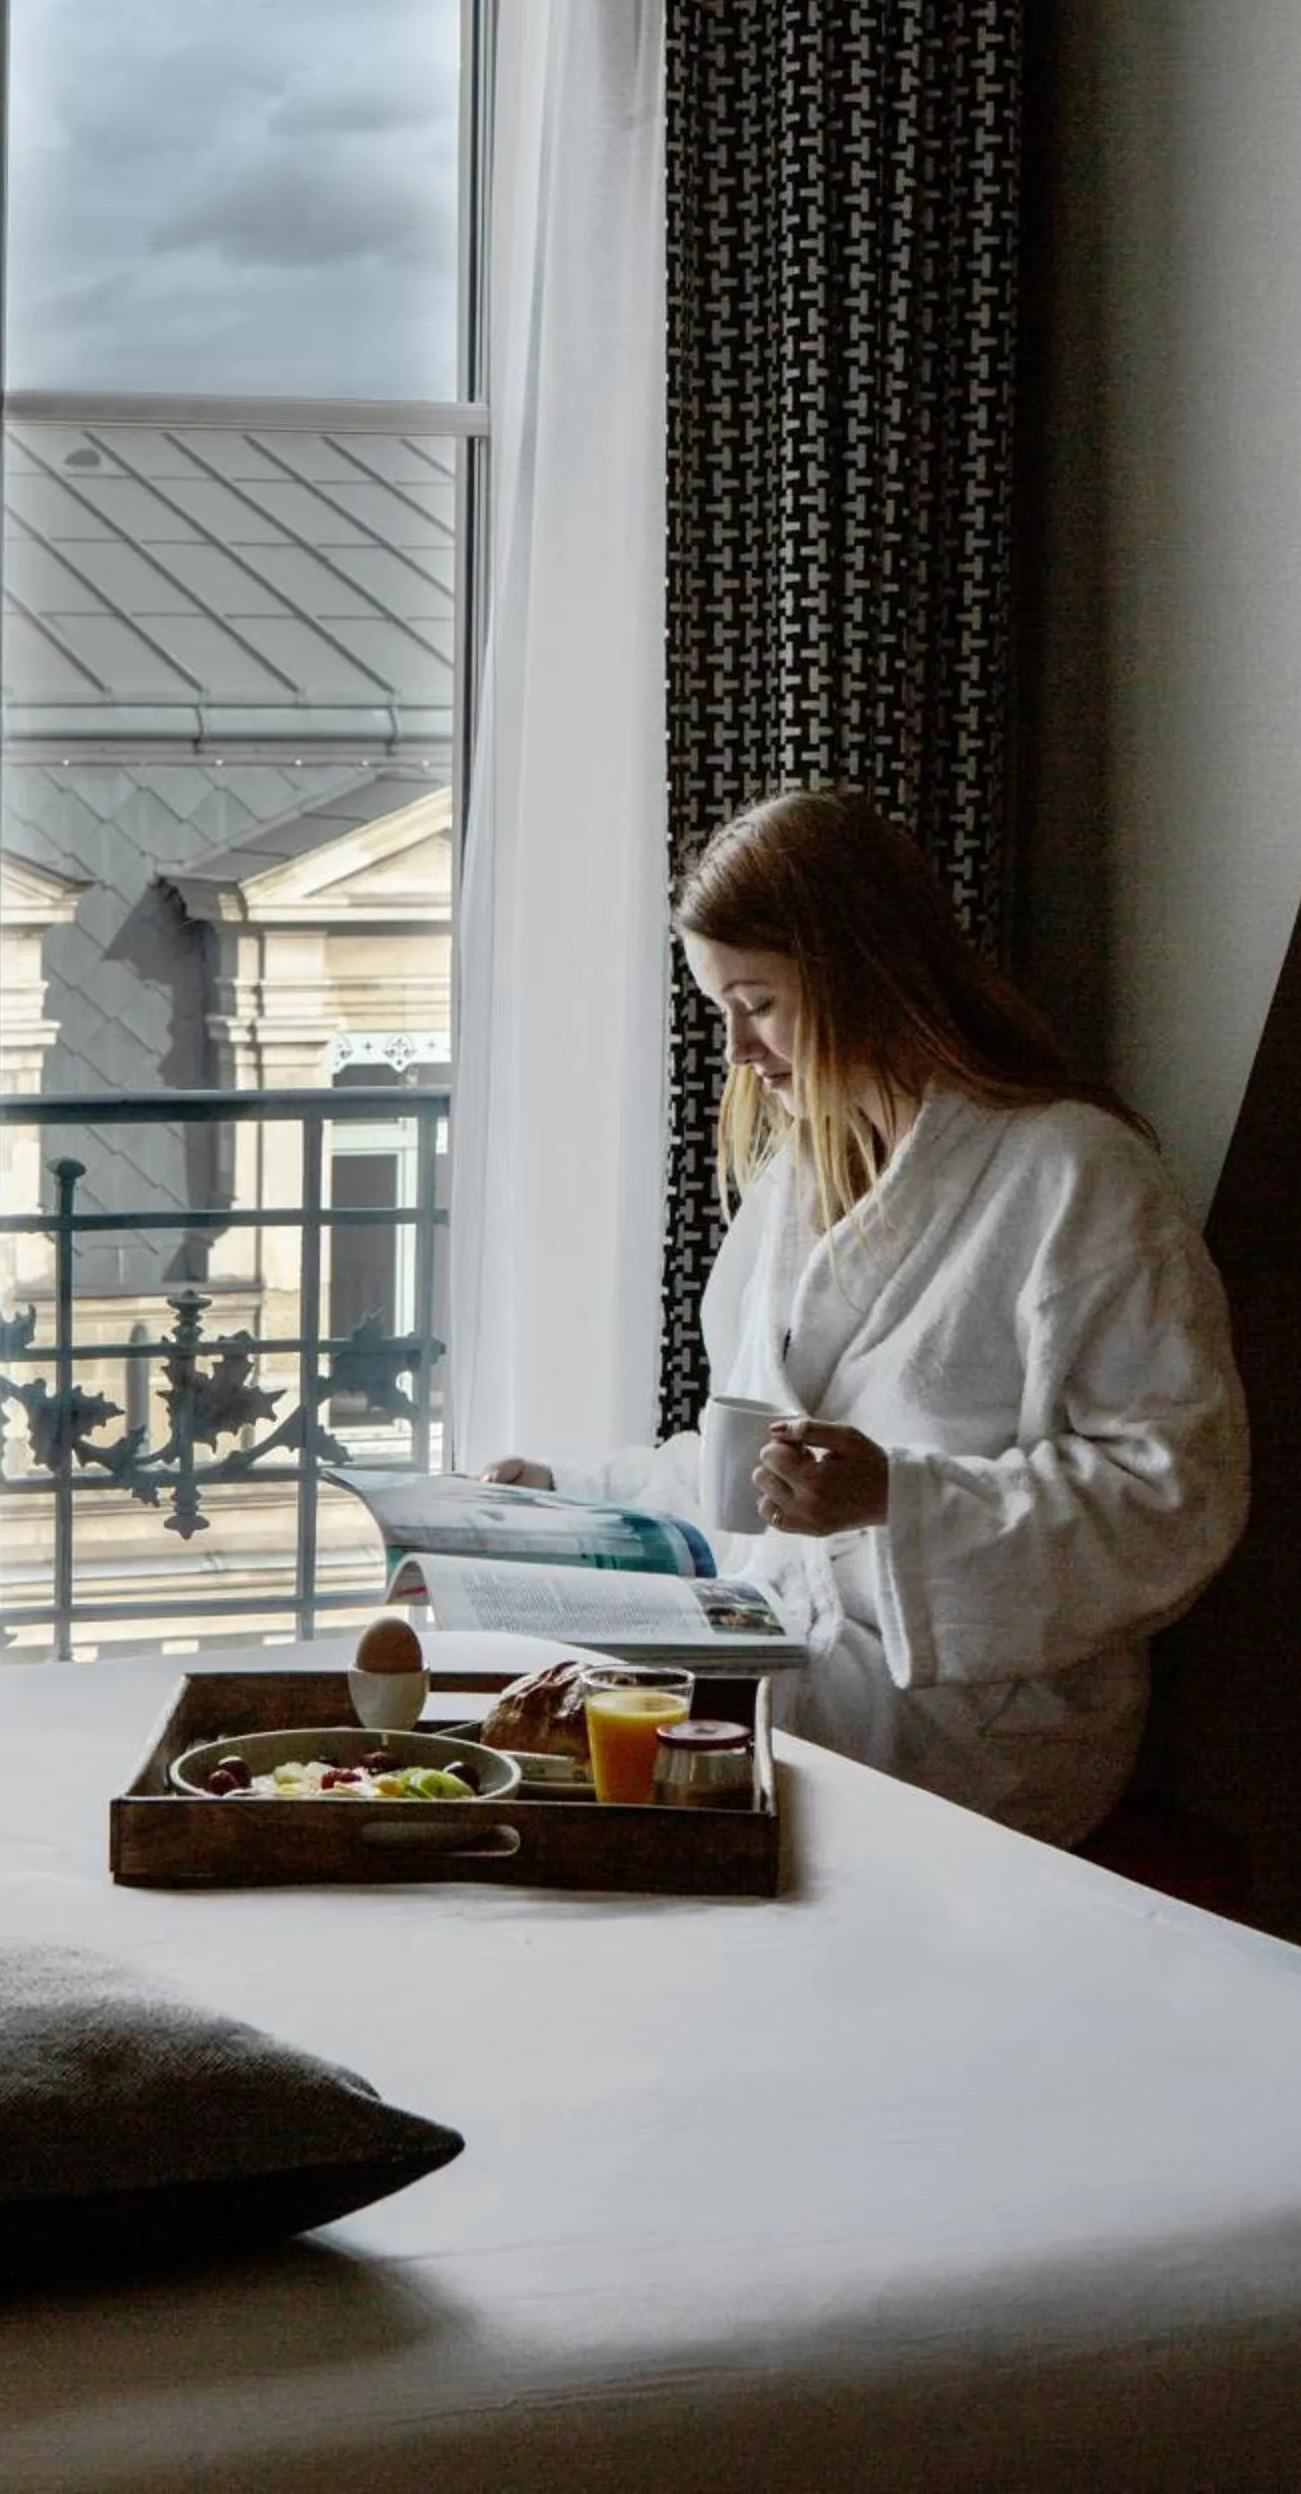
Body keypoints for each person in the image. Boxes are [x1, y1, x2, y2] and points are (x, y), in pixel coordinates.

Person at [484, 788, 1249, 1847]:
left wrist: (895, 1495)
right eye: (721, 1011)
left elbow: (1175, 1498)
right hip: (783, 1650)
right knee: (508, 1732)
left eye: (755, 1003)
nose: (739, 1050)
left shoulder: (1075, 1175)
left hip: (971, 1718)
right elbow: (750, 1475)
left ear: (853, 972)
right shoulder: (798, 1171)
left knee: (576, 1811)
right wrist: (562, 1500)